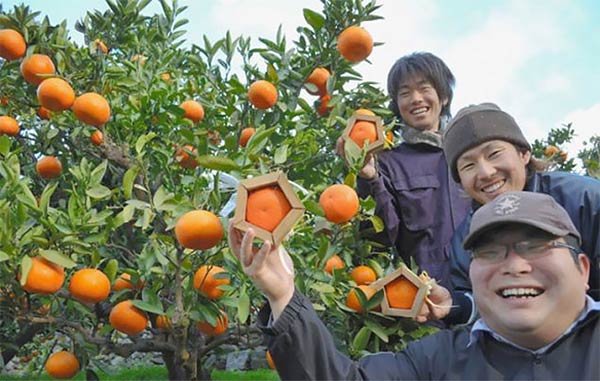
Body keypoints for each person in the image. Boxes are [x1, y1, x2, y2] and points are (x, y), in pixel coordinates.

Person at [228, 191, 600, 380]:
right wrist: (282, 295)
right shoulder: (438, 361)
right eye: (490, 252)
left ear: (582, 269)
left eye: (534, 246)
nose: (515, 264)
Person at [424, 102, 600, 325]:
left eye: (494, 154)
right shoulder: (465, 239)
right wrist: (454, 305)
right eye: (468, 166)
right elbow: (480, 303)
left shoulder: (586, 200)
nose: (486, 172)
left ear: (524, 154)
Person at [338, 52, 471, 287]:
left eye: (424, 88)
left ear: (444, 97)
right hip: (429, 297)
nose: (416, 99)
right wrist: (369, 178)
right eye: (405, 93)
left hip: (490, 288)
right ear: (397, 106)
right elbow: (376, 240)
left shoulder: (469, 151)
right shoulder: (388, 163)